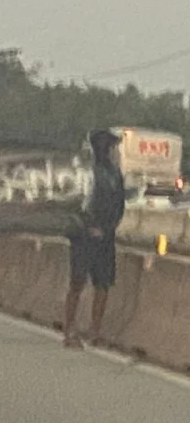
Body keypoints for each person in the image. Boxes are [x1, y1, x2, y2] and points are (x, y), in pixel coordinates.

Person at [64, 129, 126, 349]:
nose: (110, 150)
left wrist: (107, 229)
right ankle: (69, 330)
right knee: (77, 282)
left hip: (106, 238)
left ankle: (95, 331)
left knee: (103, 284)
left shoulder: (115, 174)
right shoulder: (83, 172)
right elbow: (74, 204)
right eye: (108, 145)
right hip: (82, 236)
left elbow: (120, 206)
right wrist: (88, 227)